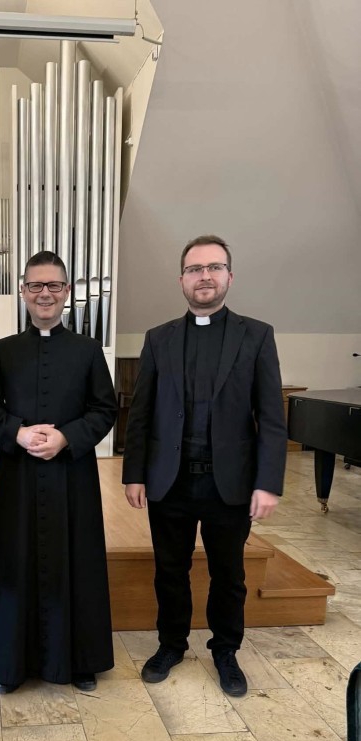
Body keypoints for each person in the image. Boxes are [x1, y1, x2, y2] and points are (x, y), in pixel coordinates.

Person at [122, 235, 287, 697]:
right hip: (169, 479)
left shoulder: (257, 335)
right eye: (195, 269)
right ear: (182, 280)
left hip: (228, 482)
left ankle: (226, 650)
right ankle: (171, 644)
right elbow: (141, 412)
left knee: (229, 575)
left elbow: (271, 416)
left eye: (214, 267)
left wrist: (268, 482)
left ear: (229, 276)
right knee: (169, 570)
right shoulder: (158, 338)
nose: (205, 276)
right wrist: (134, 473)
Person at [0, 250, 118, 693]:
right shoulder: (4, 351)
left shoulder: (88, 350)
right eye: (36, 285)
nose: (45, 294)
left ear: (67, 292)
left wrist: (66, 437)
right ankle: (10, 664)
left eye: (53, 285)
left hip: (71, 478)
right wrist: (17, 433)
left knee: (77, 561)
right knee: (15, 561)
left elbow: (105, 408)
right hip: (17, 478)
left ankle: (79, 660)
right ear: (23, 291)